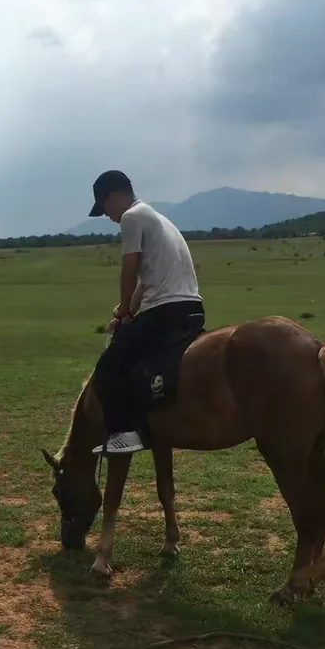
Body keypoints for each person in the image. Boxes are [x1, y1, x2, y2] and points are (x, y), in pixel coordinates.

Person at [88, 170, 205, 455]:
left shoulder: (131, 217)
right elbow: (146, 280)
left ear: (113, 196)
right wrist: (126, 311)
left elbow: (130, 268)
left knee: (108, 366)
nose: (107, 216)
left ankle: (126, 432)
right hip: (191, 308)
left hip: (166, 310)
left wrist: (125, 306)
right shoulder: (159, 219)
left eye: (104, 208)